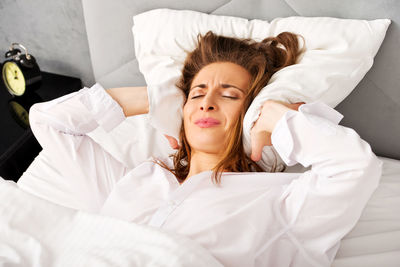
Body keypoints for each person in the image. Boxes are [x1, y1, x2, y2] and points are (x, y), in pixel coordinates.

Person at [23, 31, 382, 267]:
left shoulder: (282, 203)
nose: (207, 103)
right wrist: (156, 98)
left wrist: (273, 115)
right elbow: (49, 122)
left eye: (229, 95)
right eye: (196, 94)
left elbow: (355, 167)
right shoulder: (136, 181)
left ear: (249, 114)